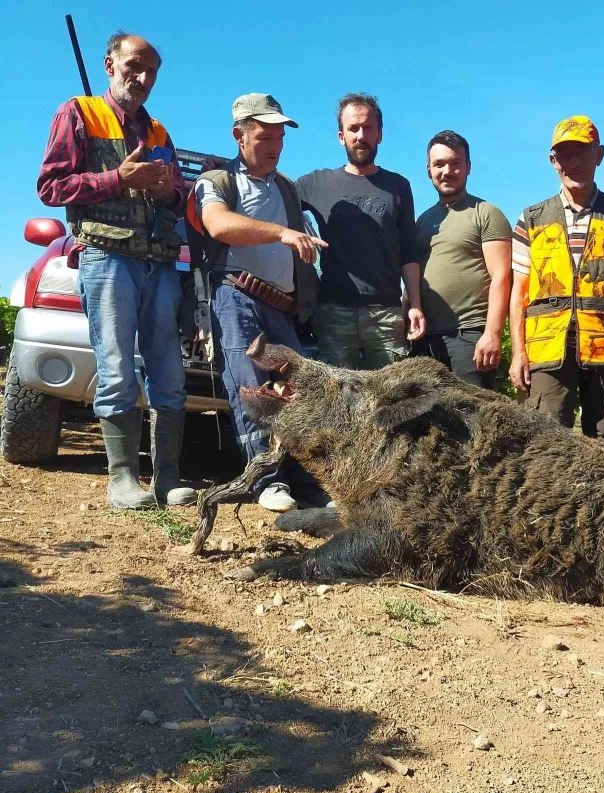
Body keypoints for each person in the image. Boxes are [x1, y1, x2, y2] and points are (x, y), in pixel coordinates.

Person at [37, 32, 196, 509]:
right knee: (117, 369)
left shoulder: (159, 132)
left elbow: (179, 198)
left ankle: (167, 476)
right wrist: (116, 179)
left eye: (151, 71)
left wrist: (168, 193)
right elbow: (50, 185)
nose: (143, 78)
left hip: (160, 264)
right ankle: (123, 478)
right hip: (106, 258)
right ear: (110, 64)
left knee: (168, 371)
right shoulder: (78, 112)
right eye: (134, 66)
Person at [190, 93, 327, 512]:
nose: (275, 146)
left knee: (296, 392)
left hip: (281, 304)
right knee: (252, 389)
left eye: (280, 138)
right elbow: (217, 224)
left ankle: (304, 482)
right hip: (237, 296)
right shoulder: (215, 183)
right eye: (265, 136)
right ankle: (266, 480)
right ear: (239, 135)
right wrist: (282, 234)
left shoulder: (286, 187)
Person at [509, 115, 604, 442]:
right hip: (546, 349)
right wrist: (518, 353)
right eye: (563, 155)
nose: (571, 162)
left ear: (598, 155)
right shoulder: (530, 218)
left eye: (581, 152)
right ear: (552, 161)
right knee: (545, 446)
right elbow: (520, 294)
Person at [295, 93, 425, 368]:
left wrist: (414, 303)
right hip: (333, 313)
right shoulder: (316, 183)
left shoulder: (398, 186)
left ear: (379, 134)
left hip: (387, 314)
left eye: (368, 128)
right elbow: (272, 191)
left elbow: (409, 251)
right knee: (339, 401)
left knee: (390, 402)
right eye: (353, 128)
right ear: (341, 136)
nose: (360, 135)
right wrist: (224, 167)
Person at [413, 130, 512, 388]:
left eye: (455, 163)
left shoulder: (486, 213)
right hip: (427, 340)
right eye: (439, 164)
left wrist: (492, 334)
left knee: (471, 420)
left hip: (469, 337)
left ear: (467, 167)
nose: (447, 171)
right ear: (428, 170)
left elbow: (502, 276)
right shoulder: (422, 221)